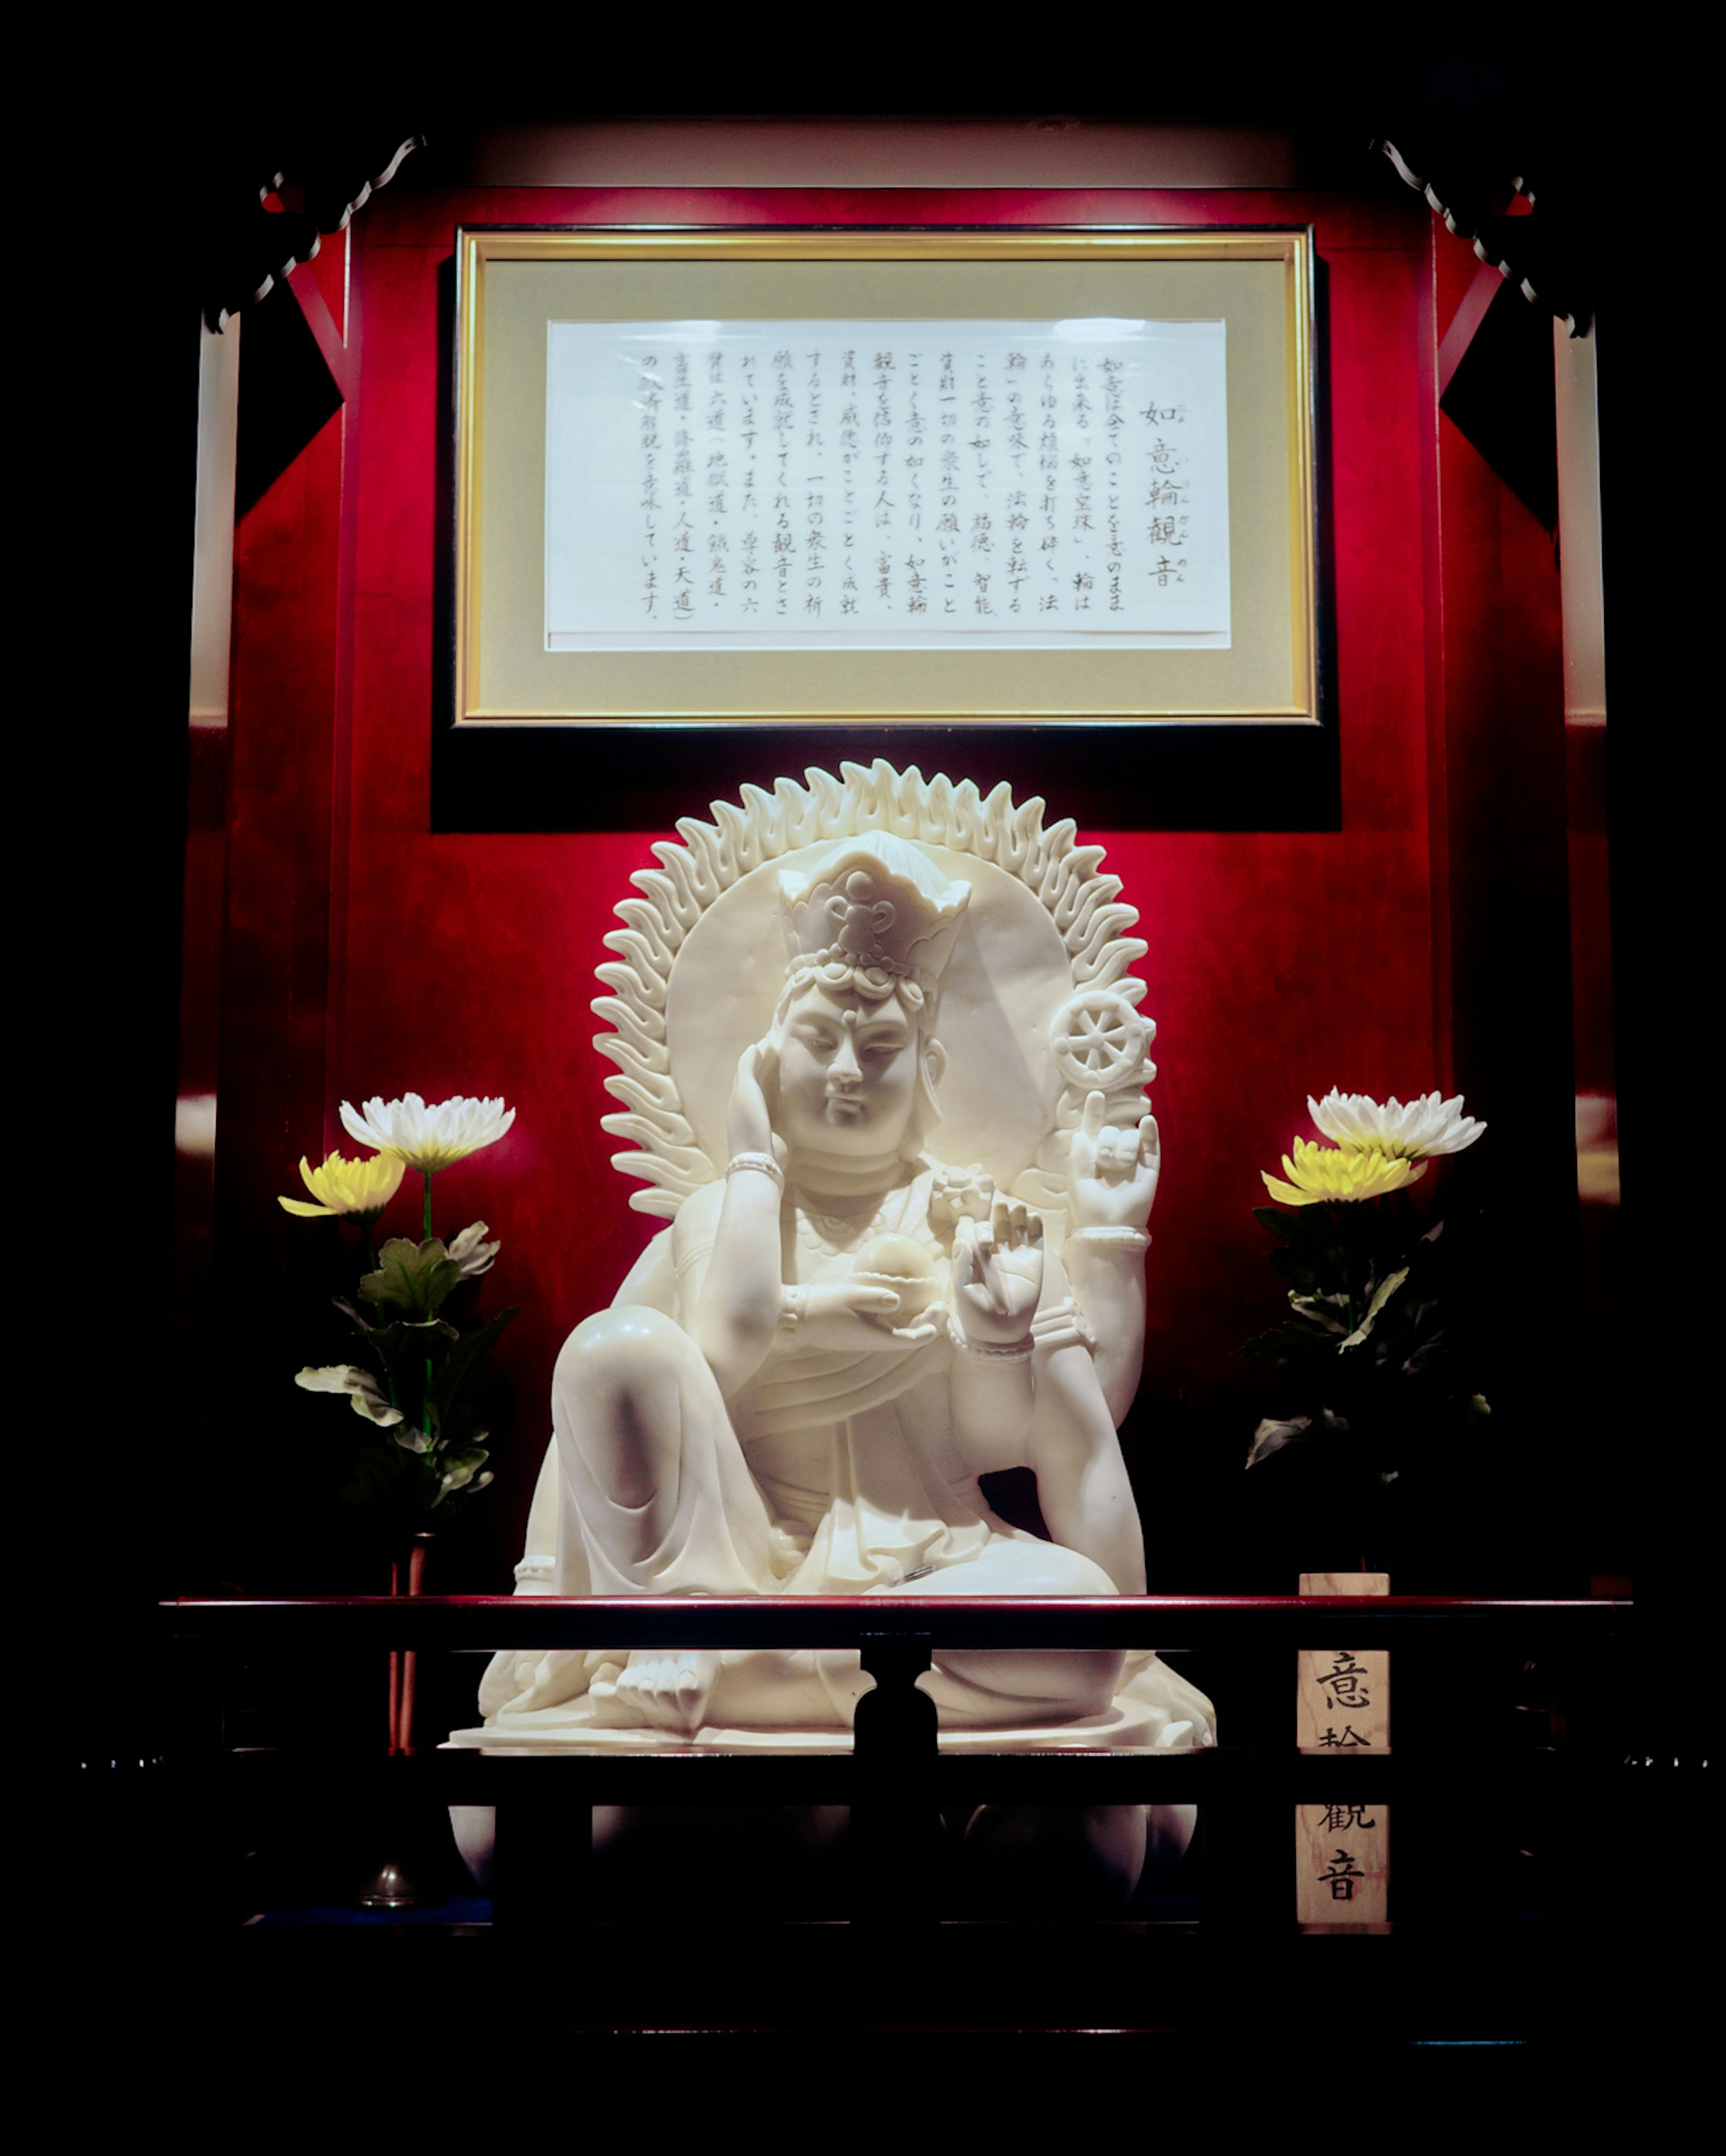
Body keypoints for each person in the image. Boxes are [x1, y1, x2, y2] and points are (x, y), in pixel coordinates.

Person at [475, 833, 1212, 1756]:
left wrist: (1001, 1332)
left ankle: (754, 1674)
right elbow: (592, 1407)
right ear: (765, 1061)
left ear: (929, 1070)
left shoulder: (978, 1224)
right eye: (819, 1040)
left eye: (881, 1045)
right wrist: (542, 1600)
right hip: (738, 1565)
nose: (849, 1072)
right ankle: (703, 1632)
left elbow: (1062, 1437)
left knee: (1081, 1622)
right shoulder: (709, 1220)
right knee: (612, 1342)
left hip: (935, 1565)